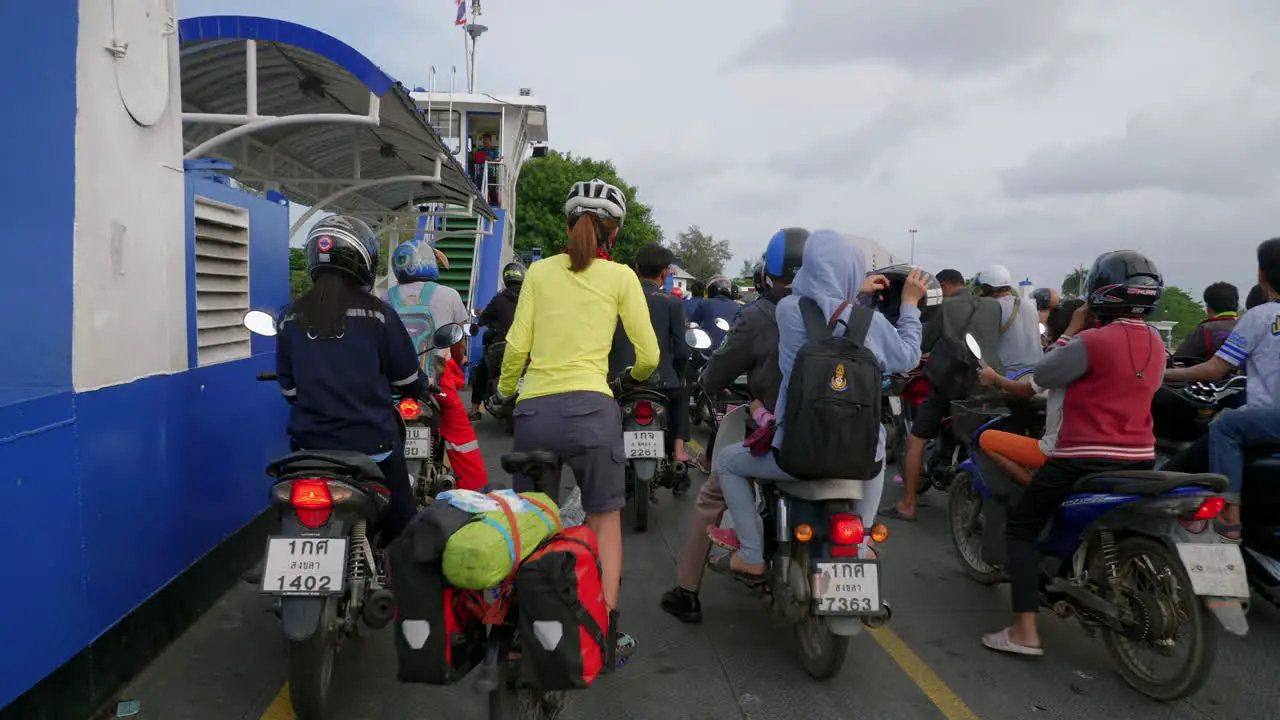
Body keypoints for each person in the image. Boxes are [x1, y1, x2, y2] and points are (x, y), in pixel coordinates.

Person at [493, 178, 659, 664]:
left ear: (568, 224)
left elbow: (517, 348)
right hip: (593, 412)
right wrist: (629, 378)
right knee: (605, 520)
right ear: (614, 232)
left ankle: (522, 624)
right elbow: (649, 353)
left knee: (532, 519)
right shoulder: (622, 278)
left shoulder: (540, 273)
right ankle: (605, 635)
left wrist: (505, 394)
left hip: (535, 413)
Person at [710, 230, 927, 581]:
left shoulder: (787, 310)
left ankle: (751, 554)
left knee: (728, 463)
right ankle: (863, 539)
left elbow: (815, 298)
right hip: (860, 459)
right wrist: (909, 306)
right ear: (853, 272)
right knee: (880, 443)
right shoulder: (871, 323)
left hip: (795, 453)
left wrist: (853, 288)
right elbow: (908, 356)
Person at [982, 250, 1166, 657]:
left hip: (1083, 457)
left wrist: (1074, 329)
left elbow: (1042, 375)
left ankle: (1025, 631)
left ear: (1099, 291)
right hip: (1141, 457)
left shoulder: (1091, 341)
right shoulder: (1155, 340)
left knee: (1021, 527)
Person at [660, 227, 808, 623]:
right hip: (846, 440)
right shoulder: (841, 310)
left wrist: (708, 381)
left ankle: (687, 591)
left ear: (767, 272)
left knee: (714, 490)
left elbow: (718, 371)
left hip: (776, 432)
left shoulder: (760, 314)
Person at [275, 216, 426, 539]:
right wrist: (418, 387)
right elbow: (407, 381)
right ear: (364, 261)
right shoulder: (378, 315)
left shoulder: (289, 317)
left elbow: (289, 391)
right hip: (372, 446)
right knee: (404, 524)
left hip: (308, 449)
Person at [1165, 238, 1280, 540]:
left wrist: (1159, 374)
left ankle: (1230, 514)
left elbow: (1216, 369)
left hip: (1269, 419)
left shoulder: (1259, 316)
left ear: (1261, 274)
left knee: (1226, 425)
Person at [883, 268, 1002, 521]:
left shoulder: (944, 308)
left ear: (945, 285)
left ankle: (908, 504)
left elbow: (920, 344)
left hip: (953, 386)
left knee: (916, 440)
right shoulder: (993, 306)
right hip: (990, 384)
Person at [382, 240, 489, 491]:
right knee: (461, 437)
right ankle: (477, 495)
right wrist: (459, 358)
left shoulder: (387, 296)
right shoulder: (449, 294)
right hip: (436, 385)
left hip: (394, 387)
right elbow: (458, 339)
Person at [973, 299, 1085, 487]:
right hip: (1107, 450)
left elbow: (1028, 389)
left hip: (1060, 450)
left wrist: (994, 378)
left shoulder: (1063, 356)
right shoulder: (1106, 353)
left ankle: (1035, 489)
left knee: (986, 438)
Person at [609, 243, 694, 465]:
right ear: (665, 272)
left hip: (621, 380)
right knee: (683, 391)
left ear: (636, 268)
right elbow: (681, 351)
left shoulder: (617, 300)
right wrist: (676, 374)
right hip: (662, 381)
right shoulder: (673, 303)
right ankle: (678, 450)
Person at [469, 262, 524, 420]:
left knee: (481, 372)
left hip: (501, 346)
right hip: (527, 347)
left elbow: (483, 319)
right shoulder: (531, 297)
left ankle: (474, 411)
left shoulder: (499, 299)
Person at [974, 264, 1042, 373]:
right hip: (1034, 373)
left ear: (988, 288)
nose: (980, 292)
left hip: (1007, 374)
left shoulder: (992, 307)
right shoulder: (1029, 305)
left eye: (982, 288)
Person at [1172, 282, 1239, 363]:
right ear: (1236, 305)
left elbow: (1178, 359)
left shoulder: (1205, 330)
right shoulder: (1250, 327)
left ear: (1208, 308)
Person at [690, 275, 741, 349]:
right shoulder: (738, 306)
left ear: (711, 289)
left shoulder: (704, 303)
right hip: (731, 350)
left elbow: (693, 325)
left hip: (709, 350)